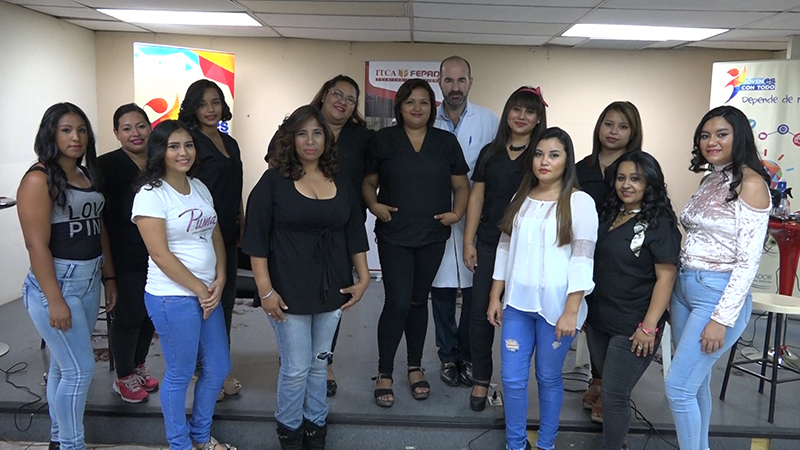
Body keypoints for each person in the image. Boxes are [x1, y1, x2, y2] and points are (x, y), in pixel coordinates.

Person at [243, 105, 370, 449]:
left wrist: (364, 277)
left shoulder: (340, 179)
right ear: (291, 138)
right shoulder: (273, 182)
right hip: (288, 288)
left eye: (317, 133)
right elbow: (255, 239)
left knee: (319, 363)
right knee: (297, 367)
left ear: (327, 139)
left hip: (333, 285)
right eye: (302, 133)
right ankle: (289, 428)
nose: (310, 141)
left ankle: (316, 425)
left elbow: (354, 230)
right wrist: (265, 290)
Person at [665, 105, 770, 450]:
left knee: (678, 388)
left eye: (721, 134)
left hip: (717, 295)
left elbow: (748, 262)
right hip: (685, 288)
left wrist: (721, 319)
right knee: (696, 385)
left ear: (739, 136)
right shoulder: (711, 178)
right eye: (706, 135)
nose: (711, 141)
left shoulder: (752, 184)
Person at [488, 127, 597, 450]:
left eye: (553, 155)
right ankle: (515, 444)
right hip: (518, 306)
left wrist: (571, 311)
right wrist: (496, 295)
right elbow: (505, 248)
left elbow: (582, 259)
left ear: (567, 160)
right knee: (512, 379)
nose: (544, 162)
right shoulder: (520, 198)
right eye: (538, 154)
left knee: (548, 378)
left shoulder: (579, 202)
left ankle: (546, 444)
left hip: (557, 309)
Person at [264, 75, 373, 397]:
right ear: (324, 95)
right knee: (296, 338)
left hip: (338, 224)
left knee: (332, 297)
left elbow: (368, 179)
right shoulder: (295, 127)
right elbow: (275, 168)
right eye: (336, 94)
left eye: (350, 98)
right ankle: (295, 366)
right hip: (295, 229)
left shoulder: (361, 137)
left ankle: (324, 363)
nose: (342, 101)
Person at [364, 78, 470, 407]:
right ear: (400, 107)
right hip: (394, 234)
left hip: (432, 235)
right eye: (410, 102)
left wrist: (457, 214)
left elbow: (462, 186)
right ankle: (384, 372)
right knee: (397, 301)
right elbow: (368, 183)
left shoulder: (445, 142)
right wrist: (374, 206)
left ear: (432, 107)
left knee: (417, 300)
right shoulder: (384, 140)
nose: (417, 108)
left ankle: (414, 367)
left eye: (424, 102)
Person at [17, 102, 118, 450]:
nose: (76, 137)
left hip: (89, 280)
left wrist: (109, 278)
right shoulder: (38, 178)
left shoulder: (86, 174)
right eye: (66, 130)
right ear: (51, 134)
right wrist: (55, 299)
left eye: (81, 130)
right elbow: (36, 245)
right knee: (79, 371)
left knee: (64, 367)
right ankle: (72, 445)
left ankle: (59, 440)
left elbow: (98, 226)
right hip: (57, 284)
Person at [132, 120, 234, 450]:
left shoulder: (199, 187)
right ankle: (180, 443)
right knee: (180, 372)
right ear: (159, 151)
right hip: (172, 297)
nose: (183, 152)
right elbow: (160, 254)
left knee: (218, 367)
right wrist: (200, 287)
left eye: (188, 145)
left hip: (206, 293)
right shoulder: (150, 195)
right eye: (174, 146)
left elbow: (214, 234)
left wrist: (219, 277)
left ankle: (201, 436)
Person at [585, 151, 681, 448]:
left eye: (635, 179)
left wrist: (649, 327)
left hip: (635, 323)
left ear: (650, 183)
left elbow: (666, 277)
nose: (626, 185)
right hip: (599, 318)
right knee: (606, 389)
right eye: (621, 178)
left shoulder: (660, 223)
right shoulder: (610, 213)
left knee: (614, 394)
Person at [462, 86, 547, 411]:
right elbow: (476, 198)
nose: (521, 116)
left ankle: (519, 381)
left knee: (522, 315)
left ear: (538, 117)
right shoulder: (490, 152)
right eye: (516, 109)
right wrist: (469, 241)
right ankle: (482, 378)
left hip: (528, 249)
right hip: (487, 242)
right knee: (479, 315)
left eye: (529, 111)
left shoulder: (541, 154)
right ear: (507, 113)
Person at [432, 55, 499, 388]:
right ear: (439, 81)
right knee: (441, 293)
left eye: (461, 81)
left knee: (476, 293)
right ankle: (448, 356)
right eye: (448, 81)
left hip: (478, 222)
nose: (455, 88)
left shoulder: (489, 120)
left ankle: (469, 355)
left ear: (470, 83)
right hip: (438, 218)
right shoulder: (427, 120)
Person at [575, 101, 643, 419]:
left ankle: (613, 389)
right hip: (588, 255)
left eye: (623, 126)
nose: (613, 132)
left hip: (625, 260)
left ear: (633, 133)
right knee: (595, 319)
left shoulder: (638, 168)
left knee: (618, 323)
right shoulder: (581, 167)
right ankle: (597, 379)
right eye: (608, 124)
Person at [178, 79, 244, 401]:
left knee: (226, 303)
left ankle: (220, 367)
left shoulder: (230, 144)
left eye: (215, 102)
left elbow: (236, 185)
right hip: (199, 236)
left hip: (228, 234)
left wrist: (241, 217)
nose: (210, 109)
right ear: (192, 107)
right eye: (203, 103)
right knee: (205, 304)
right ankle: (205, 372)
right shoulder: (189, 143)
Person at [98, 103, 158, 403]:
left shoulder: (161, 160)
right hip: (123, 255)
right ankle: (122, 376)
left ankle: (138, 365)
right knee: (129, 315)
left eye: (141, 125)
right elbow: (101, 219)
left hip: (158, 255)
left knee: (150, 315)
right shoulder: (104, 166)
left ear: (150, 127)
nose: (135, 133)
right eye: (127, 128)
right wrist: (108, 273)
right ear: (116, 133)